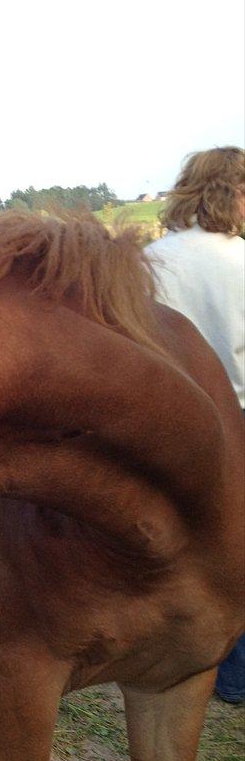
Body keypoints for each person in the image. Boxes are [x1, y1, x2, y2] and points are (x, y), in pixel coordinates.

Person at [146, 146, 245, 704]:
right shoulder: (242, 262)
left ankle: (163, 645)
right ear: (232, 194)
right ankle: (232, 673)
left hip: (169, 420)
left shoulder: (153, 261)